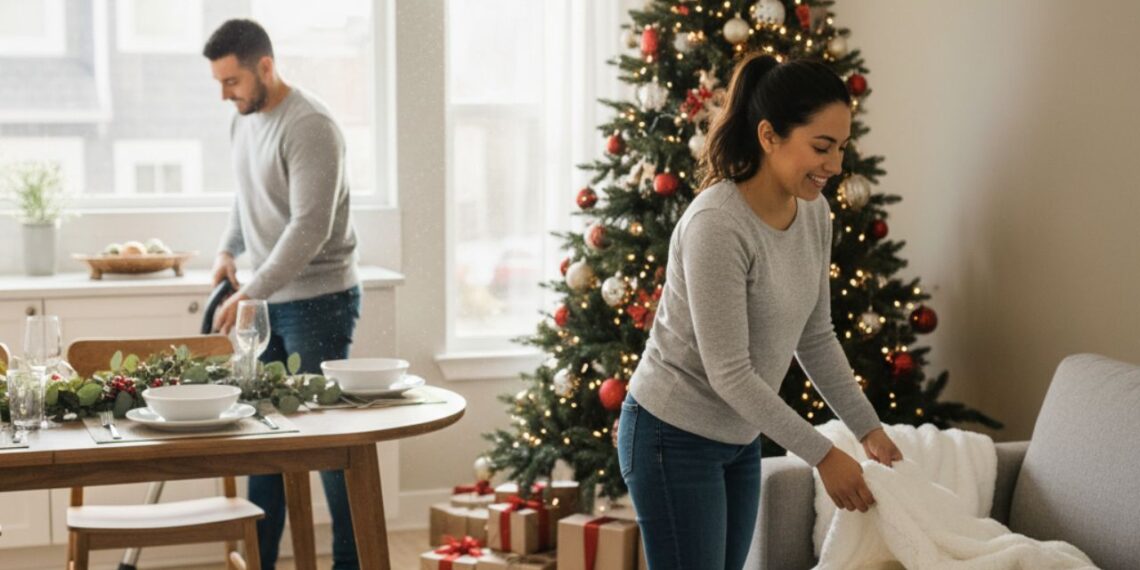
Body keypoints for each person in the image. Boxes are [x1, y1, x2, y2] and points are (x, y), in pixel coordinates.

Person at [617, 53, 905, 570]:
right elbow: (729, 372)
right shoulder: (717, 226)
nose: (835, 166)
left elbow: (816, 337)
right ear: (769, 136)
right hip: (670, 435)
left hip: (737, 438)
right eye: (821, 147)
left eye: (841, 147)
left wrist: (868, 428)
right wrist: (822, 453)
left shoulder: (816, 214)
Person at [202, 19, 362, 570]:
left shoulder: (310, 124)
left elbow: (308, 227)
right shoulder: (244, 121)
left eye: (232, 81)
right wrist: (229, 249)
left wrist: (248, 290)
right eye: (220, 83)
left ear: (265, 67)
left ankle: (350, 562)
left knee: (328, 446)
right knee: (261, 440)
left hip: (319, 302)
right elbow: (245, 196)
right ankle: (259, 561)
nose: (226, 94)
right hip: (268, 301)